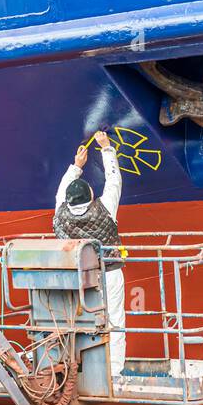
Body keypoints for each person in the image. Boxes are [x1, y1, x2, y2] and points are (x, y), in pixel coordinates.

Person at [53, 130, 126, 379]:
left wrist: (76, 166)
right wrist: (106, 148)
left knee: (79, 322)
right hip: (110, 273)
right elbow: (114, 181)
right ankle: (114, 370)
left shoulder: (60, 214)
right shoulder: (104, 209)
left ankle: (75, 367)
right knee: (115, 321)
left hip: (78, 277)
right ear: (91, 195)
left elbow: (60, 192)